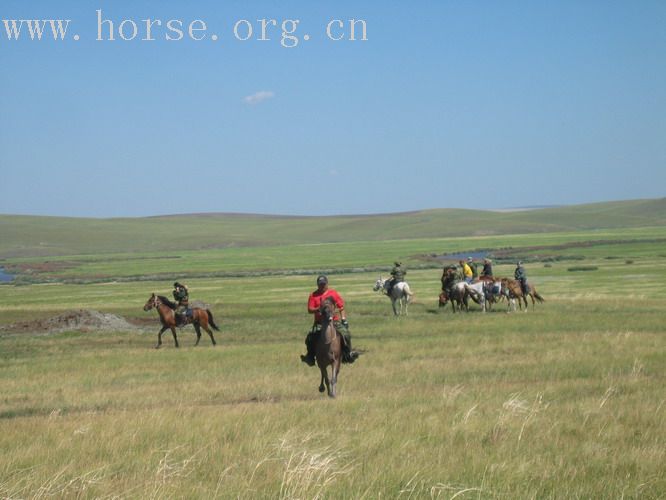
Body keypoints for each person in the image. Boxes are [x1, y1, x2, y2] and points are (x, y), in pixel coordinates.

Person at [301, 275, 359, 366]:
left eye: (324, 284)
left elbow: (341, 307)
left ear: (327, 284)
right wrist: (318, 309)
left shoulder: (333, 293)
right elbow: (309, 309)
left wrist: (344, 319)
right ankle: (310, 356)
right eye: (320, 284)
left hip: (334, 321)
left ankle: (348, 353)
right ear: (317, 285)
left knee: (346, 334)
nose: (322, 286)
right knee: (310, 337)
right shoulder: (313, 295)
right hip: (319, 323)